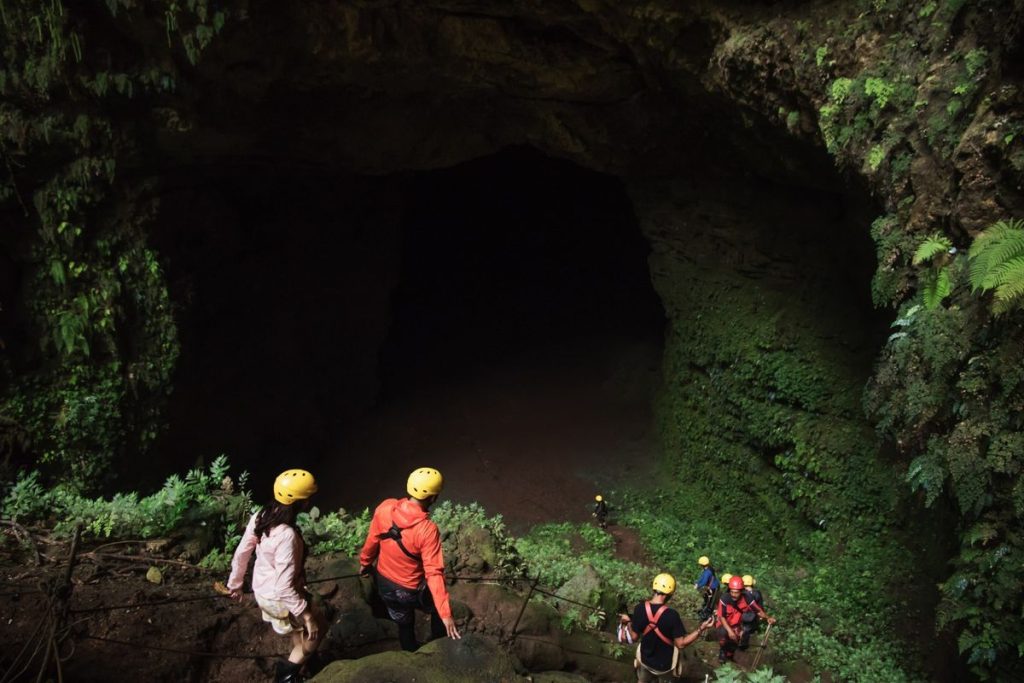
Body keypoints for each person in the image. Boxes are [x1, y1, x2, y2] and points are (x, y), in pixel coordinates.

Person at [227, 469, 327, 683]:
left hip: (263, 591)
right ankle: (287, 676)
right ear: (301, 502)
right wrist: (307, 615)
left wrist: (234, 584)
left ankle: (307, 662)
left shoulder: (261, 516)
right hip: (279, 598)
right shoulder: (287, 536)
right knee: (317, 629)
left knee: (297, 632)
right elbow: (284, 586)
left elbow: (242, 551)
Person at [359, 467, 461, 651]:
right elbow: (434, 572)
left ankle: (410, 654)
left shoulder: (385, 508)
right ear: (434, 498)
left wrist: (365, 563)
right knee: (438, 611)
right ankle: (437, 647)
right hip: (411, 590)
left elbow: (372, 539)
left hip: (385, 585)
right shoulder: (427, 530)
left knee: (404, 625)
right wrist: (446, 614)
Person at [619, 573, 715, 682]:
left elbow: (634, 637)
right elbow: (681, 644)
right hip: (664, 666)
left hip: (645, 660)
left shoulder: (639, 609)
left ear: (654, 588)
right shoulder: (672, 615)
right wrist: (701, 629)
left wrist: (629, 623)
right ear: (670, 593)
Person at [717, 575, 776, 663]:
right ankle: (722, 652)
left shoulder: (747, 598)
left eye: (736, 592)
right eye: (732, 592)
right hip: (724, 623)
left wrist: (767, 618)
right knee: (723, 635)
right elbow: (722, 617)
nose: (734, 594)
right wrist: (729, 631)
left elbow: (757, 610)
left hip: (736, 624)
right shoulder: (725, 598)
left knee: (735, 640)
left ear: (741, 591)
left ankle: (730, 654)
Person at [739, 575, 765, 649]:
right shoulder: (757, 593)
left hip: (742, 615)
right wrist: (761, 614)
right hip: (753, 616)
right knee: (748, 629)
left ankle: (742, 645)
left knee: (744, 629)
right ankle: (744, 644)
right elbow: (760, 605)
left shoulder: (741, 593)